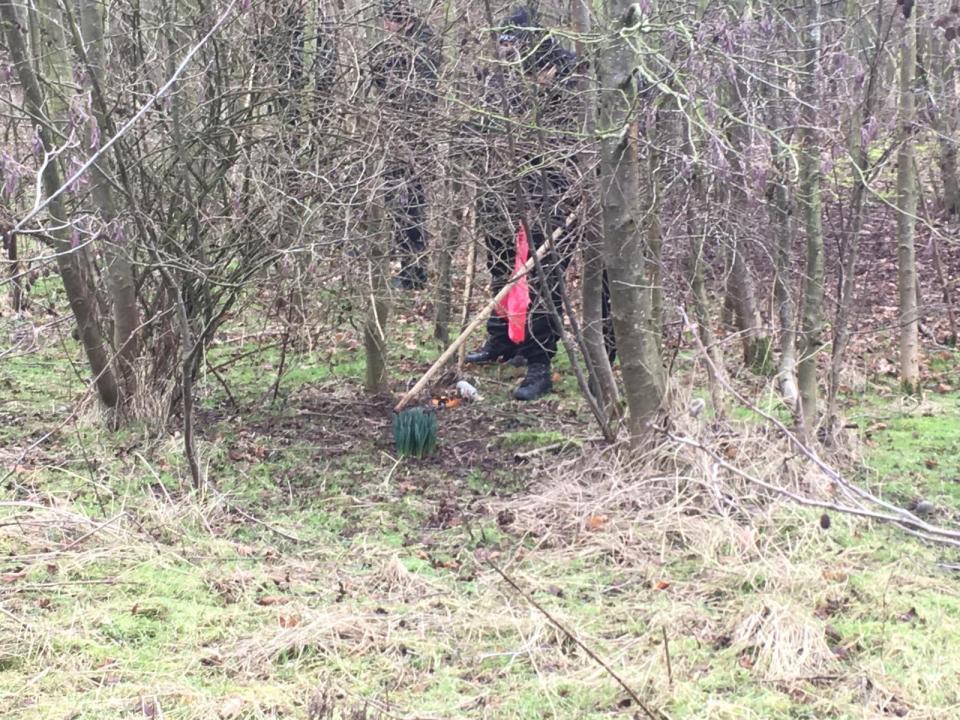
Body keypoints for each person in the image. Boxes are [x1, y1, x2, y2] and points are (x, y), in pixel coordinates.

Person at [464, 7, 588, 401]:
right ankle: (503, 341)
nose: (507, 50)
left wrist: (547, 94)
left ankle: (539, 364)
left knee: (543, 277)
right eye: (503, 43)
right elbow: (484, 126)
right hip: (504, 185)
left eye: (514, 43)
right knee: (499, 264)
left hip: (555, 190)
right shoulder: (501, 75)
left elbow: (576, 137)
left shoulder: (571, 73)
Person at [369, 0, 441, 290]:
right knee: (394, 202)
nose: (385, 27)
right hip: (394, 133)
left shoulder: (424, 43)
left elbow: (419, 93)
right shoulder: (396, 44)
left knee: (410, 203)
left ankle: (414, 271)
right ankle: (404, 266)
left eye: (389, 20)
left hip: (413, 137)